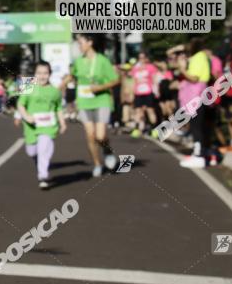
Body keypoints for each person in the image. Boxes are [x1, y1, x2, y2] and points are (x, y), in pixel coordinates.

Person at [64, 34, 120, 177]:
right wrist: (60, 85)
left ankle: (107, 151)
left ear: (90, 42)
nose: (79, 46)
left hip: (101, 100)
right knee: (90, 135)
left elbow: (115, 80)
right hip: (84, 101)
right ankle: (97, 164)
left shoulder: (103, 61)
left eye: (81, 43)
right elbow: (72, 76)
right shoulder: (78, 61)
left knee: (100, 136)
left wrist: (100, 88)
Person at [18, 61, 67, 189]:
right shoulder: (28, 84)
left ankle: (43, 176)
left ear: (50, 74)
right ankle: (39, 161)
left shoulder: (55, 91)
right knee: (31, 152)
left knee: (43, 147)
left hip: (48, 126)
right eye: (39, 73)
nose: (42, 76)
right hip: (31, 126)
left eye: (45, 73)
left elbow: (58, 108)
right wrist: (25, 116)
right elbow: (20, 104)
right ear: (34, 74)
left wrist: (62, 123)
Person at [177, 38, 212, 168]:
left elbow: (194, 78)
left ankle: (199, 156)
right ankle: (199, 153)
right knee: (196, 125)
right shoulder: (200, 57)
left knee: (196, 126)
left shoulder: (199, 57)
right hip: (197, 95)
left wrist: (182, 69)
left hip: (196, 95)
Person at [129, 52, 159, 138]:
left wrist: (156, 91)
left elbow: (154, 80)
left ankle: (154, 130)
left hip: (148, 92)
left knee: (150, 111)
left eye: (143, 58)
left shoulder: (151, 67)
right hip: (138, 93)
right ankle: (137, 129)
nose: (141, 60)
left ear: (146, 59)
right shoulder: (135, 68)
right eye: (139, 58)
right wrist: (132, 93)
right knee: (138, 112)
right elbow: (133, 81)